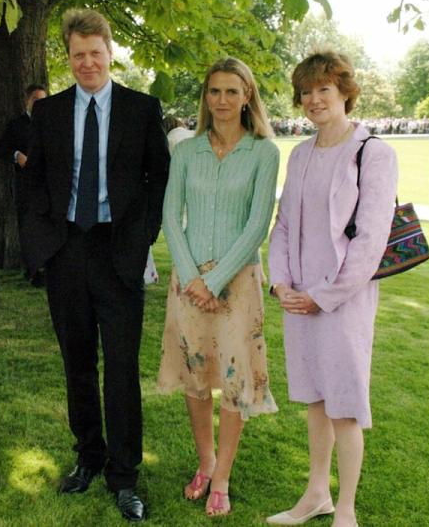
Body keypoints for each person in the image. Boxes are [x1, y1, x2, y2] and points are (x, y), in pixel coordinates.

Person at [19, 8, 169, 522]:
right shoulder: (50, 113)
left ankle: (124, 475)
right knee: (77, 365)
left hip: (119, 252)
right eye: (78, 55)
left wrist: (140, 239)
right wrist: (45, 245)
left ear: (110, 52)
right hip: (67, 252)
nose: (87, 63)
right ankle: (87, 458)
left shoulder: (143, 109)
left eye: (96, 53)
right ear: (69, 57)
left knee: (122, 369)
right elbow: (33, 180)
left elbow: (158, 180)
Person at [265, 51, 398, 527]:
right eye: (306, 91)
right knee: (316, 400)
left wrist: (323, 295)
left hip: (342, 301)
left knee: (343, 402)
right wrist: (280, 282)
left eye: (323, 89)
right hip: (297, 298)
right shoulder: (300, 153)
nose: (314, 99)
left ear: (344, 91)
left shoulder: (373, 153)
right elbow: (283, 227)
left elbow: (371, 241)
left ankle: (346, 509)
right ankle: (316, 494)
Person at [156, 58, 280, 516]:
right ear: (205, 97)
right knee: (195, 374)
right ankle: (205, 463)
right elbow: (171, 215)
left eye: (232, 91)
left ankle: (222, 477)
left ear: (247, 95)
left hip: (238, 283)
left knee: (232, 379)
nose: (222, 101)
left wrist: (214, 280)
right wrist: (191, 277)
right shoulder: (187, 152)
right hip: (188, 283)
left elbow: (257, 224)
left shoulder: (264, 153)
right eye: (214, 92)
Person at [0, 83, 48, 287]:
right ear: (27, 101)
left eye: (43, 100)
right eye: (36, 100)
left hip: (48, 185)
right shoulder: (16, 125)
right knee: (27, 229)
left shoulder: (52, 124)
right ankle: (33, 270)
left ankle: (46, 267)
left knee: (46, 228)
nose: (40, 104)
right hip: (25, 186)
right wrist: (17, 156)